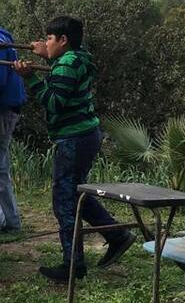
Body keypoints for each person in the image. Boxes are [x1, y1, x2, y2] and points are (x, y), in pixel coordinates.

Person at [14, 16, 133, 283]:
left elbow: (54, 102)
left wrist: (30, 77)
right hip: (86, 135)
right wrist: (48, 56)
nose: (45, 42)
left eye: (49, 39)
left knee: (64, 203)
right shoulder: (78, 57)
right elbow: (63, 69)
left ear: (63, 40)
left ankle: (72, 265)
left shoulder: (65, 65)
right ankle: (117, 234)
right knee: (77, 193)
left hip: (73, 139)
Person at [0, 20, 25, 233]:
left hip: (1, 109)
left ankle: (9, 220)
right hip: (7, 107)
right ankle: (4, 218)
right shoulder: (0, 36)